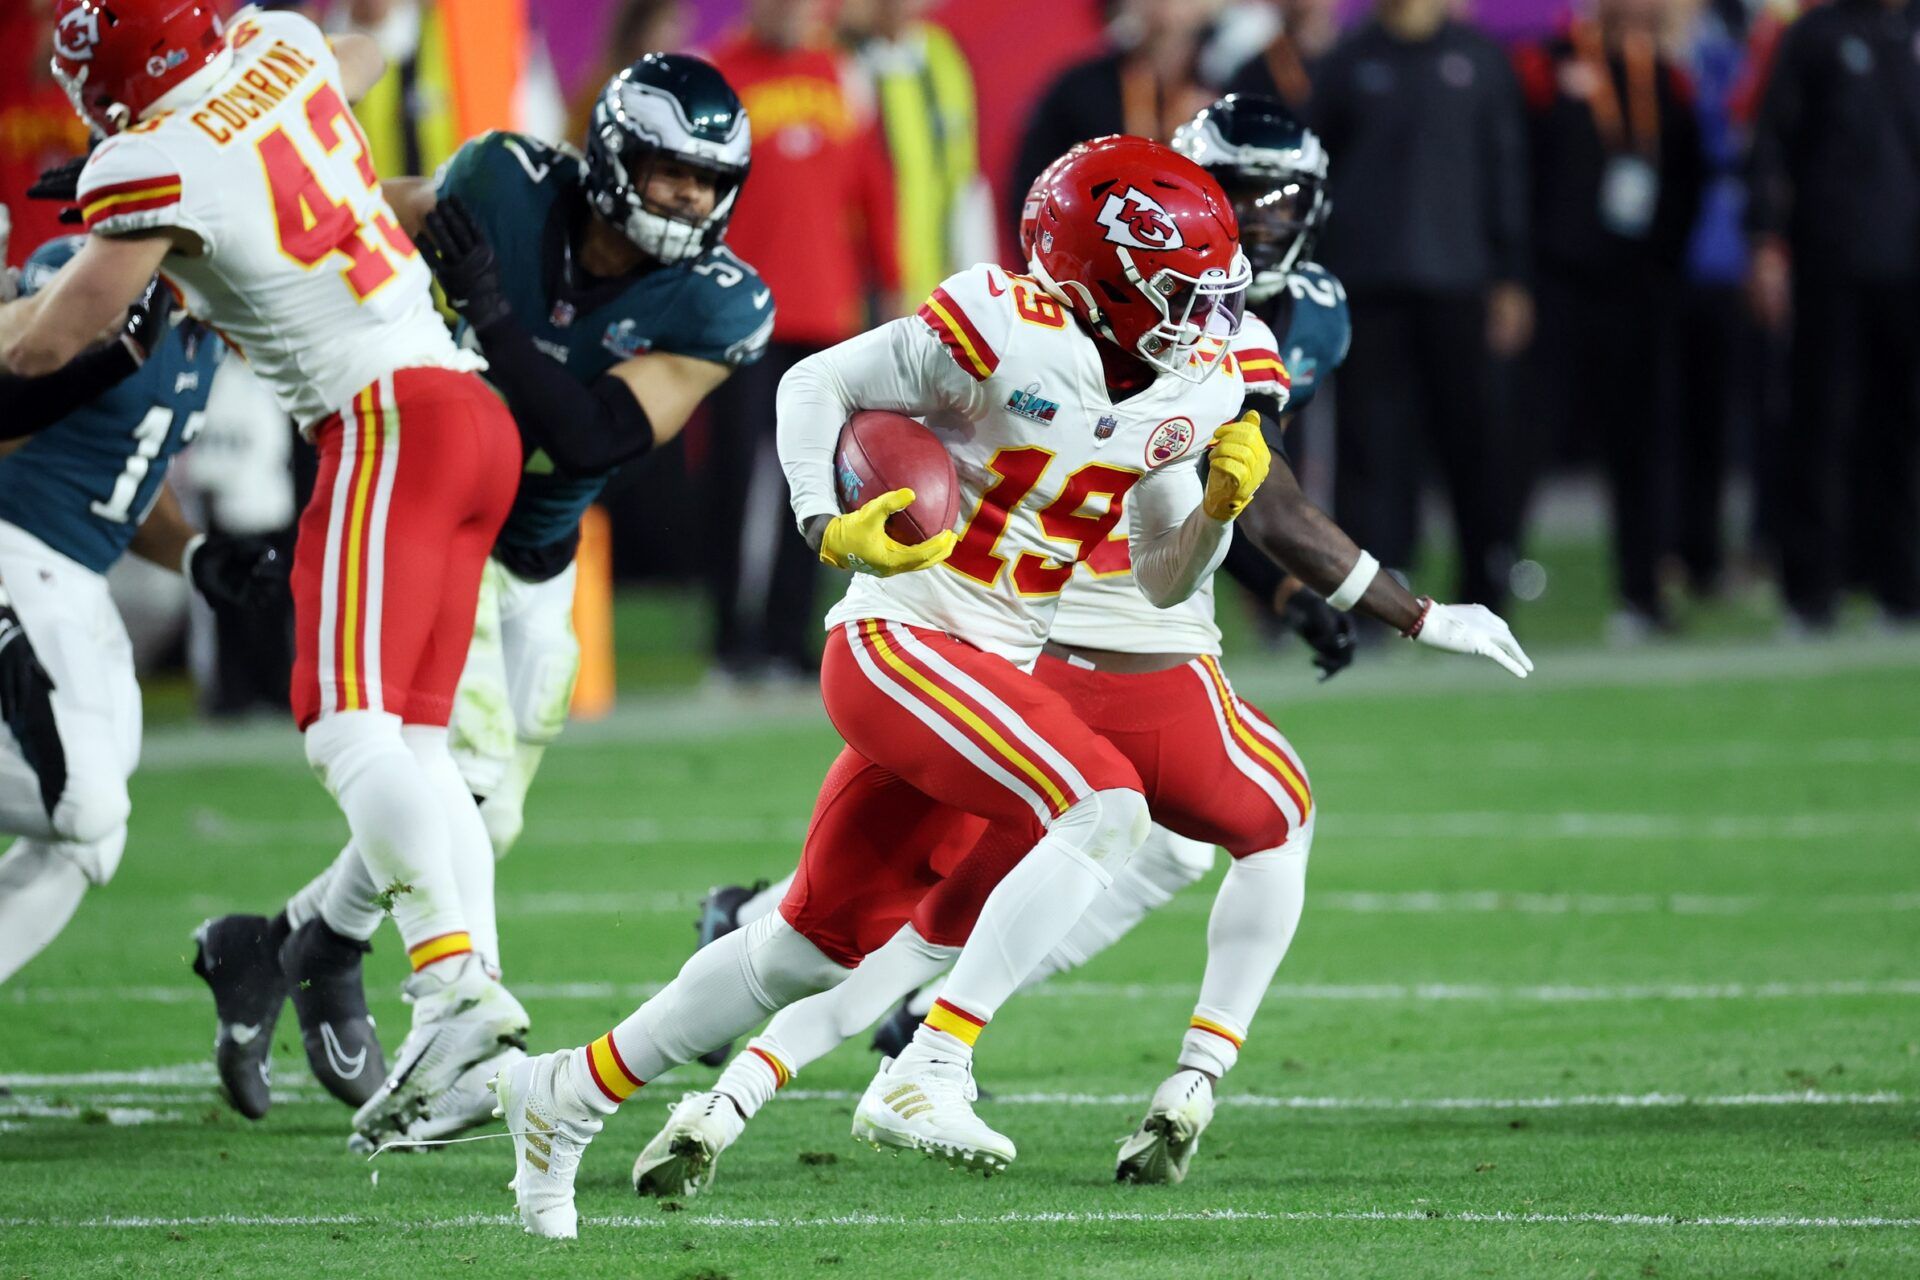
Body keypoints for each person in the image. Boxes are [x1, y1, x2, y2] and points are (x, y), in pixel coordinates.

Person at [633, 101, 1528, 1197]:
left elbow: (1213, 500)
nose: (1250, 222)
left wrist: (1271, 575)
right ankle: (931, 1042)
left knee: (1042, 863)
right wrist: (1416, 612)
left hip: (1128, 615)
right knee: (1033, 858)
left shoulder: (1254, 327)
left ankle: (791, 1043)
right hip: (1038, 622)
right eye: (1229, 198)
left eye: (1273, 200)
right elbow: (1264, 504)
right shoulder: (1035, 326)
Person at [492, 137, 1268, 1239]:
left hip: (992, 665)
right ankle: (934, 1057)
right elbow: (820, 380)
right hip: (903, 637)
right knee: (1109, 807)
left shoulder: (1193, 384)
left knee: (804, 945)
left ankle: (566, 1093)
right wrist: (823, 514)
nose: (1201, 318)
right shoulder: (1003, 327)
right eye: (1179, 292)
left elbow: (1157, 577)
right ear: (1099, 274)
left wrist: (1213, 519)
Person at [192, 55, 769, 1138]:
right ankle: (459, 1034)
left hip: (536, 553)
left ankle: (286, 942)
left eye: (706, 178)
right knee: (443, 787)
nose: (687, 197)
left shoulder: (719, 300)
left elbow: (592, 433)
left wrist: (494, 317)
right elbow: (352, 222)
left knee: (485, 813)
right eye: (666, 169)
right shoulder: (502, 182)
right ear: (607, 157)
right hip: (426, 519)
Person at [6, 0, 529, 1150]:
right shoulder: (281, 49)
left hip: (382, 418)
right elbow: (352, 57)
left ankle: (449, 989)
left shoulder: (154, 154)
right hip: (466, 403)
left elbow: (49, 340)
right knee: (421, 744)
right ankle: (471, 1013)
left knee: (347, 733)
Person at [0, 236, 281, 985]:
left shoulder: (198, 324)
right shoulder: (89, 281)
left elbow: (126, 461)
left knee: (91, 840)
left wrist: (192, 553)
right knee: (85, 805)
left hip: (79, 579)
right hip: (16, 553)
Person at [1307, 0, 1532, 611]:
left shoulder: (1481, 59)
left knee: (1476, 441)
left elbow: (1506, 168)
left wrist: (1512, 277)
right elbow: (1315, 178)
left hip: (1461, 284)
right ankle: (1379, 592)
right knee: (1371, 446)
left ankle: (1488, 579)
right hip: (1368, 287)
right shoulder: (1345, 62)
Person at [703, 0, 899, 683]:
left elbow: (874, 187)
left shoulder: (843, 76)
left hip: (826, 314)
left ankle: (791, 636)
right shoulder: (719, 74)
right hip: (740, 313)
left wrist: (893, 280)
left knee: (815, 480)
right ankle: (731, 640)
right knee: (734, 481)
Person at [1514, 0, 1704, 639]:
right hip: (1559, 285)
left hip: (1640, 292)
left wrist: (1665, 267)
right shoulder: (1549, 65)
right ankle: (1490, 582)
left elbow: (1688, 178)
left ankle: (1644, 593)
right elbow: (1523, 166)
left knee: (1643, 445)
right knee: (1525, 438)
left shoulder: (1668, 76)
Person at [1747, 0, 1920, 630]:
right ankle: (1812, 592)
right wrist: (1766, 241)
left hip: (1910, 266)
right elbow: (1772, 142)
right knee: (1821, 424)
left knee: (1904, 428)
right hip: (1833, 261)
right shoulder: (1815, 34)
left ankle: (1902, 587)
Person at [839, 0, 995, 305]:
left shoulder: (943, 55)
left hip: (933, 285)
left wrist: (977, 278)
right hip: (863, 289)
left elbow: (964, 177)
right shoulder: (841, 61)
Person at [1009, 0, 1218, 223]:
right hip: (1100, 249)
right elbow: (1030, 195)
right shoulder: (1078, 90)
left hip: (1208, 248)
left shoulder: (1229, 89)